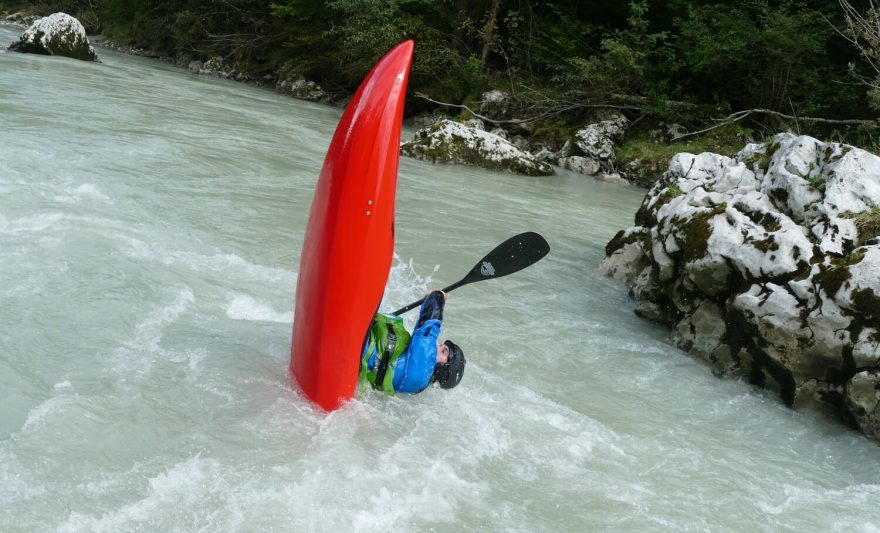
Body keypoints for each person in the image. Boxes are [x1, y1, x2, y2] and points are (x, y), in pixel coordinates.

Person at [360, 290, 465, 394]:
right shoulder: (417, 382)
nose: (437, 345)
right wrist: (428, 301)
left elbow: (428, 327)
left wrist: (437, 297)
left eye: (443, 351)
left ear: (442, 370)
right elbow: (421, 332)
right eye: (442, 345)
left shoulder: (422, 371)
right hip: (363, 350)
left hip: (361, 345)